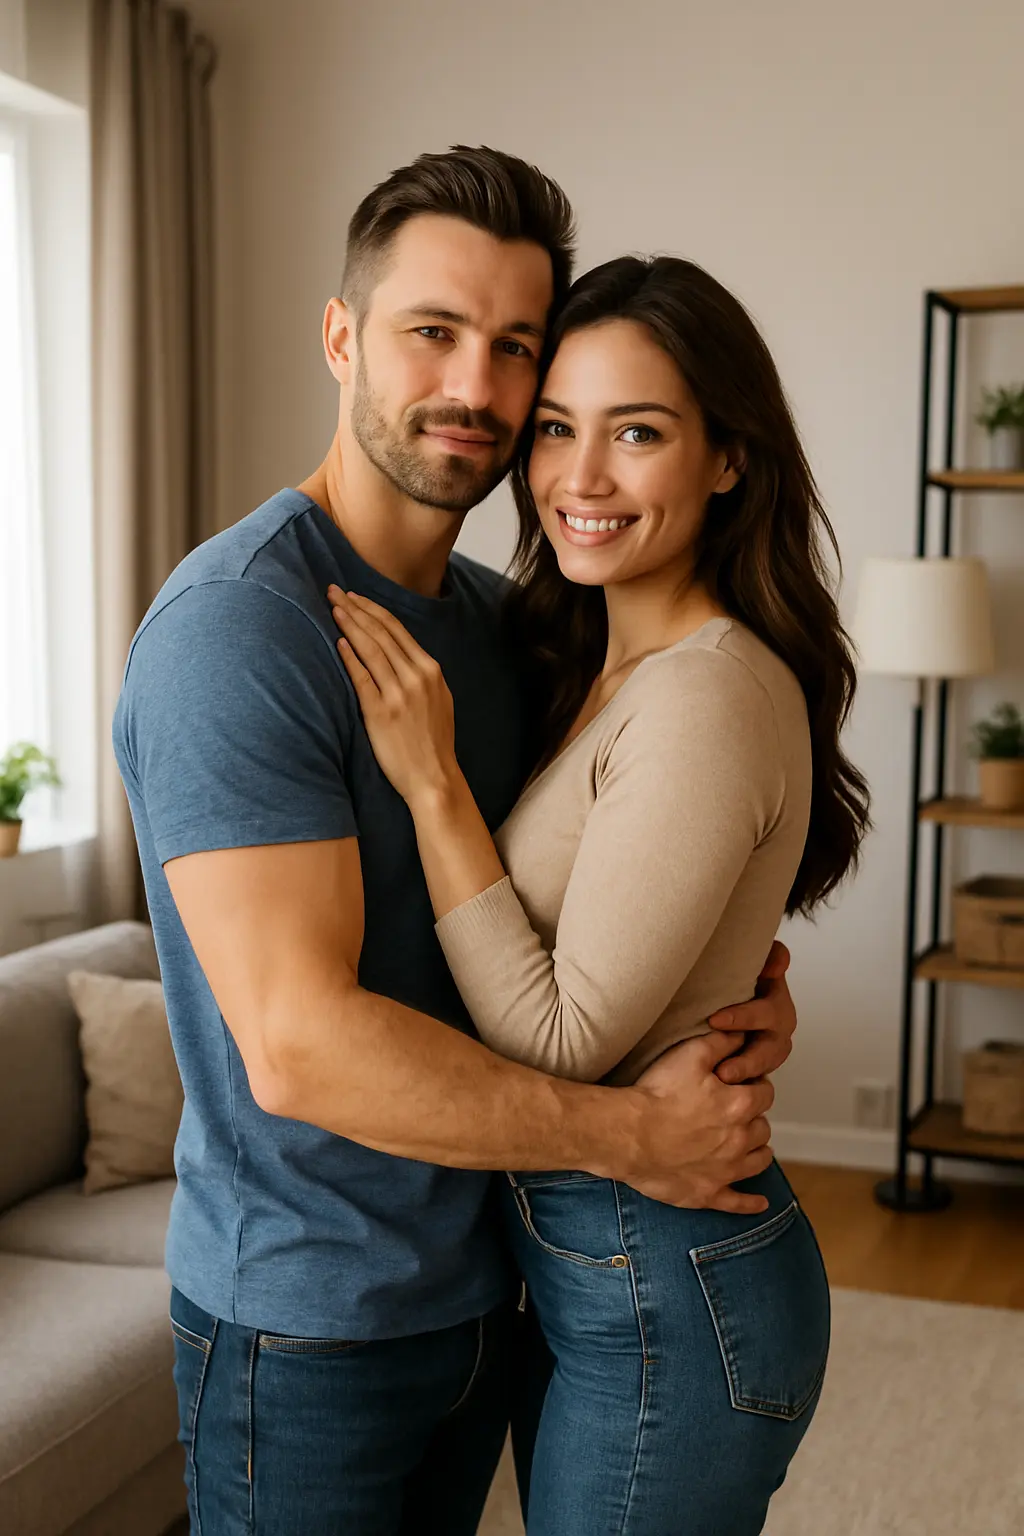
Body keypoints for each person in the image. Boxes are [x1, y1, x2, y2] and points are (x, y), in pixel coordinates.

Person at [113, 147, 801, 1536]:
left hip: (499, 1285)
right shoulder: (242, 631)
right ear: (341, 335)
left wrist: (731, 1005)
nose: (478, 392)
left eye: (514, 350)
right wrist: (634, 1138)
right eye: (434, 332)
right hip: (310, 1324)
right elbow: (299, 1046)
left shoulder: (509, 629)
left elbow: (581, 907)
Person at [328, 252, 870, 1534]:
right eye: (557, 429)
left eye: (637, 433)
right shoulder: (596, 659)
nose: (578, 478)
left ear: (727, 457)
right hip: (594, 1264)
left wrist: (434, 789)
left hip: (671, 1285)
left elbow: (568, 1039)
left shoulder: (705, 693)